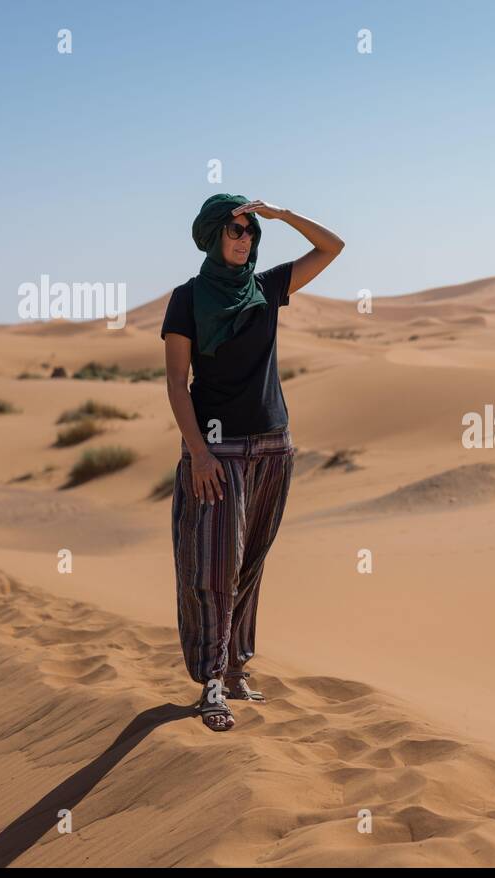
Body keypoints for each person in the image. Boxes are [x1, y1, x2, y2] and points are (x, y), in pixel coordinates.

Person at [161, 193, 344, 731]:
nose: (243, 239)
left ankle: (238, 668)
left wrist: (282, 216)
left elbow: (332, 247)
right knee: (212, 567)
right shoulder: (188, 299)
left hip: (273, 446)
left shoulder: (267, 287)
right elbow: (176, 382)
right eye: (234, 231)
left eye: (248, 232)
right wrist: (197, 452)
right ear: (213, 235)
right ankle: (211, 683)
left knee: (250, 564)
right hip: (217, 453)